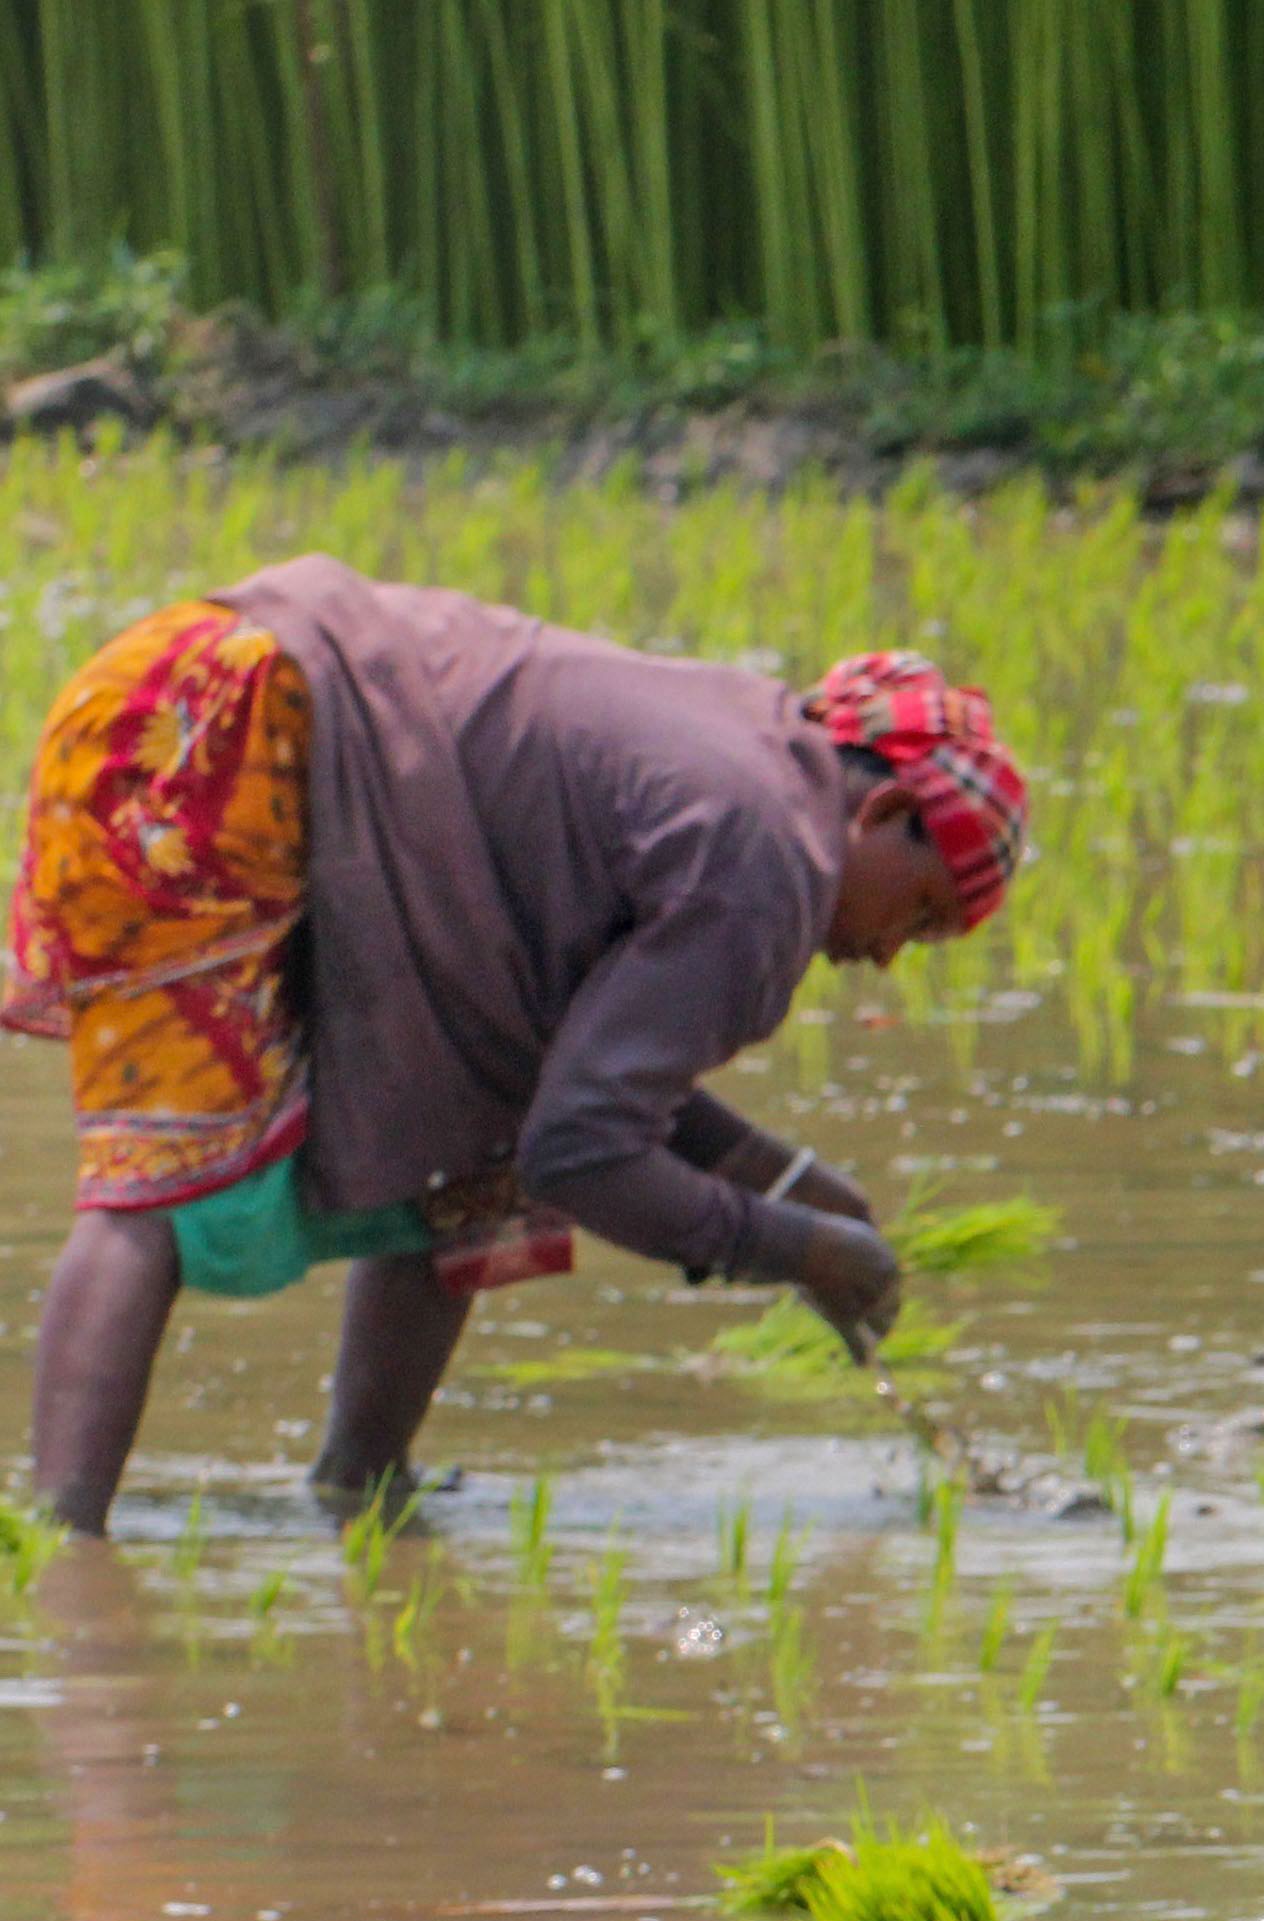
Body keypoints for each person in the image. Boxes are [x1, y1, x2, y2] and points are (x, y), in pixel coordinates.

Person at [11, 561, 1019, 1532]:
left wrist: (784, 1175)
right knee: (161, 1169)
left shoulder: (757, 760)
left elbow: (577, 1082)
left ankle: (361, 1481)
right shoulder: (770, 865)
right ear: (882, 811)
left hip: (200, 679)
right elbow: (580, 1150)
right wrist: (795, 1248)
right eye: (920, 914)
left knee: (475, 1134)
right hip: (216, 731)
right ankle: (60, 1553)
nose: (887, 955)